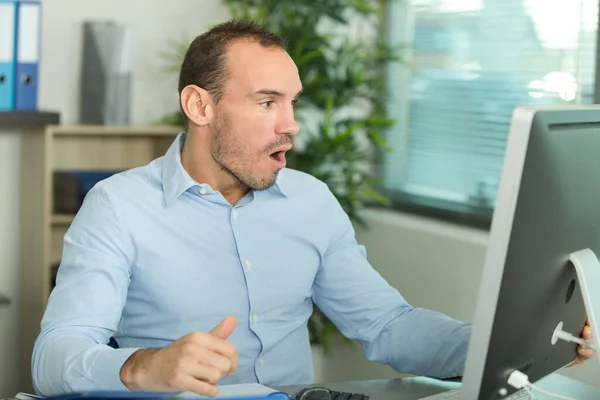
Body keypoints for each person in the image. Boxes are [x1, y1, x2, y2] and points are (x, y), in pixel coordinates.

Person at [31, 19, 594, 397]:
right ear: (199, 105)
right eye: (266, 102)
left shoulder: (309, 199)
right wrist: (142, 365)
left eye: (291, 102)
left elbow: (386, 327)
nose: (291, 124)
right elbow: (55, 355)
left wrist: (505, 347)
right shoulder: (118, 206)